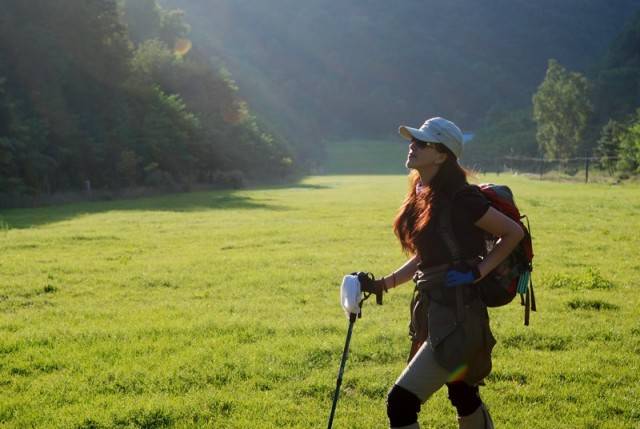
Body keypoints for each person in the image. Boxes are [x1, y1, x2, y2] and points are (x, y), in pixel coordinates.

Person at [363, 117, 524, 428]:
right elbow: (426, 258)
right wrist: (384, 284)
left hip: (459, 314)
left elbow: (512, 233)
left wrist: (478, 271)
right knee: (462, 392)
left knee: (401, 402)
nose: (413, 146)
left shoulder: (462, 198)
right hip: (435, 308)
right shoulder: (424, 192)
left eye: (422, 143)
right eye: (414, 140)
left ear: (441, 155)